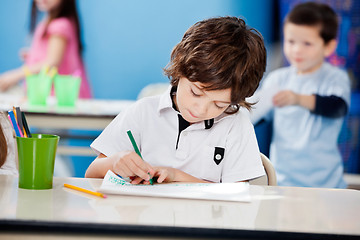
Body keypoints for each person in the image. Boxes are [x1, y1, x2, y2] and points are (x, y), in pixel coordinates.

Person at [85, 16, 267, 184]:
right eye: (196, 92)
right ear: (180, 68)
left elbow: (238, 195)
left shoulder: (235, 124)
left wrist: (176, 176)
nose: (201, 109)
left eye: (219, 105)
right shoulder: (143, 112)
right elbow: (91, 174)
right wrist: (115, 162)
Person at [248, 2, 351, 188]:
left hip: (325, 183)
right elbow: (257, 114)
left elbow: (337, 107)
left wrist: (298, 99)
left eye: (307, 43)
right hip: (283, 180)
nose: (297, 50)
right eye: (291, 41)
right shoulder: (278, 79)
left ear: (328, 46)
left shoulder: (335, 77)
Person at [0, 0, 92, 98]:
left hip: (56, 97)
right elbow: (54, 56)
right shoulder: (50, 22)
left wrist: (12, 76)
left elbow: (52, 62)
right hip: (57, 96)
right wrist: (33, 56)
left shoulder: (60, 25)